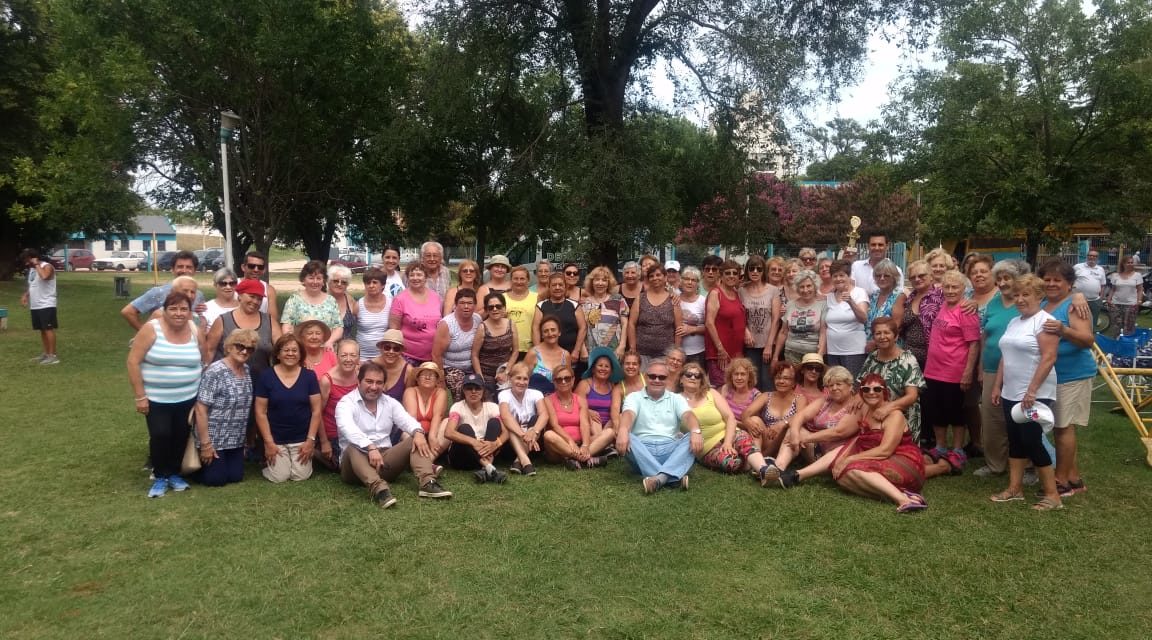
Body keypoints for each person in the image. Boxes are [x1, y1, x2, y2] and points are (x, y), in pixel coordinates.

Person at [990, 274, 1062, 510]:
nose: (1020, 299)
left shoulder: (1045, 321)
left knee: (1031, 439)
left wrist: (1031, 391)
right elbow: (1005, 356)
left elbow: (1049, 356)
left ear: (1039, 296)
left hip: (1035, 394)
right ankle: (1015, 488)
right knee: (1015, 441)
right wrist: (998, 385)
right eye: (1017, 295)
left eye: (1026, 294)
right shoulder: (1014, 322)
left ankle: (1053, 495)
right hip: (1011, 392)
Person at [336, 361, 452, 508]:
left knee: (414, 438)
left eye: (379, 383)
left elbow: (408, 421)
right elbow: (348, 429)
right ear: (358, 381)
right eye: (369, 381)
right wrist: (370, 447)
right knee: (352, 447)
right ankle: (379, 490)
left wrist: (417, 432)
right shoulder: (345, 403)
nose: (374, 387)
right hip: (354, 467)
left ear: (384, 385)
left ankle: (427, 482)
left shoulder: (389, 402)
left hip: (384, 462)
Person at [127, 291, 203, 497]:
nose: (179, 313)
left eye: (183, 309)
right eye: (173, 309)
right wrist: (140, 395)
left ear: (189, 312)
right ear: (165, 310)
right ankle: (160, 475)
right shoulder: (151, 329)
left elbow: (203, 359)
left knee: (180, 435)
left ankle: (174, 473)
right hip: (156, 398)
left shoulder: (194, 329)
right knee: (160, 435)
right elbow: (133, 361)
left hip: (188, 396)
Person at [823, 373, 928, 513]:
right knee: (842, 478)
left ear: (884, 392)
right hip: (882, 458)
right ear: (861, 393)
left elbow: (885, 450)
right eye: (866, 389)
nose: (871, 393)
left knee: (854, 469)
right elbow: (853, 435)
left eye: (877, 389)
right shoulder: (865, 409)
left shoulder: (894, 415)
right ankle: (902, 495)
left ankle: (904, 500)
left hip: (904, 461)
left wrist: (849, 458)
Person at [1039, 259, 1093, 497]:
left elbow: (1087, 339)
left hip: (1072, 374)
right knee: (1061, 426)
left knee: (1062, 426)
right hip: (1052, 375)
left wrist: (1063, 330)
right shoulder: (1043, 303)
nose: (1051, 284)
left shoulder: (1074, 304)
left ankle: (1060, 481)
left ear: (1069, 283)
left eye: (1057, 280)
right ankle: (1074, 478)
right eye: (1047, 279)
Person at [615, 359, 702, 493]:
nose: (657, 380)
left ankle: (658, 479)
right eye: (652, 376)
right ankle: (673, 477)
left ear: (667, 379)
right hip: (642, 450)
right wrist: (622, 430)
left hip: (670, 449)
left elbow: (688, 416)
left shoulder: (676, 398)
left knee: (693, 435)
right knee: (628, 435)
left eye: (662, 377)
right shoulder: (634, 397)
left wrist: (696, 431)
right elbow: (628, 414)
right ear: (645, 376)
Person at [923, 270, 981, 464]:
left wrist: (968, 372)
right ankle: (940, 446)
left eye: (955, 287)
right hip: (933, 369)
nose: (950, 290)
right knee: (936, 409)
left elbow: (974, 343)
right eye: (947, 286)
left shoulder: (965, 310)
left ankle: (957, 449)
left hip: (954, 370)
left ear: (964, 289)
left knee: (955, 411)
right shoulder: (944, 305)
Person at [973, 260, 1024, 478]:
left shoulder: (1025, 302)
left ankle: (1028, 465)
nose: (1003, 283)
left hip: (1020, 371)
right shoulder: (993, 304)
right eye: (1000, 278)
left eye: (1007, 278)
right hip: (992, 368)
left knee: (1020, 418)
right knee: (991, 418)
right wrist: (981, 367)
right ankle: (995, 464)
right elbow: (985, 336)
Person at [681, 361, 773, 480]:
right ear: (681, 379)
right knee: (731, 463)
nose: (693, 377)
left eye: (697, 376)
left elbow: (730, 417)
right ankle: (756, 463)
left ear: (701, 380)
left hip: (729, 433)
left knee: (744, 441)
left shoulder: (711, 393)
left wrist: (728, 443)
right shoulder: (674, 400)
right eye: (689, 375)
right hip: (707, 446)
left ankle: (763, 470)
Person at [768, 365, 856, 482]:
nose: (834, 388)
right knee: (794, 430)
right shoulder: (825, 400)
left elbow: (839, 432)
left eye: (839, 384)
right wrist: (795, 433)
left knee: (799, 434)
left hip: (838, 454)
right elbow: (801, 416)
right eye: (830, 385)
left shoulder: (856, 405)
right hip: (817, 449)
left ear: (849, 386)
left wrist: (806, 439)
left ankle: (786, 472)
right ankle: (777, 469)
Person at [193, 328, 258, 486]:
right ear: (229, 346)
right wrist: (205, 444)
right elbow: (201, 409)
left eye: (249, 348)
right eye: (239, 346)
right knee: (216, 480)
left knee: (236, 477)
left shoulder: (246, 370)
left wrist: (244, 442)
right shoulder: (215, 371)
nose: (244, 351)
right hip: (214, 437)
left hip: (235, 439)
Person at [253, 334, 321, 483]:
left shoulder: (309, 376)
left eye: (294, 350)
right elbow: (260, 412)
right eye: (286, 350)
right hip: (276, 439)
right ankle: (270, 463)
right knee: (279, 477)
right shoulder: (266, 376)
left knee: (300, 476)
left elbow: (316, 410)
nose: (290, 353)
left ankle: (294, 461)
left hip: (302, 439)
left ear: (300, 354)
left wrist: (310, 441)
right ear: (278, 353)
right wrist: (269, 443)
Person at [857, 317, 925, 442]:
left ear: (896, 336)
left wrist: (888, 408)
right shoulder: (872, 357)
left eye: (887, 332)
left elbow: (912, 396)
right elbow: (862, 384)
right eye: (878, 333)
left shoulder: (908, 360)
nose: (882, 337)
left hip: (902, 416)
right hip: (875, 416)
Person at [542, 364, 614, 469]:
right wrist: (570, 441)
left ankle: (575, 460)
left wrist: (585, 444)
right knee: (548, 435)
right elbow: (554, 425)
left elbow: (584, 423)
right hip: (560, 447)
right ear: (554, 382)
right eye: (559, 379)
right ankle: (584, 459)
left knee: (609, 432)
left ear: (573, 379)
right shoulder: (548, 400)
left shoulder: (580, 400)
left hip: (580, 443)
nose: (563, 382)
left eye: (567, 378)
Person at [206, 279, 281, 379]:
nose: (255, 301)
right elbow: (209, 350)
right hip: (227, 381)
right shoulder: (223, 320)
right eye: (252, 296)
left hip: (261, 381)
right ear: (240, 296)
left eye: (259, 299)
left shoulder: (269, 321)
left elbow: (281, 348)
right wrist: (205, 374)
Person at [443, 374, 509, 484]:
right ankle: (489, 468)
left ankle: (485, 469)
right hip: (462, 458)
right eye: (469, 388)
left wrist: (496, 444)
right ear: (463, 390)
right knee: (465, 428)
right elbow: (448, 432)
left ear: (483, 390)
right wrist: (473, 442)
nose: (473, 391)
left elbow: (506, 432)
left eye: (477, 388)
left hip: (485, 452)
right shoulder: (457, 406)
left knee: (494, 422)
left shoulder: (492, 407)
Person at [119, 250, 205, 330]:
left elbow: (198, 320)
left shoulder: (198, 294)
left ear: (194, 270)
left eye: (189, 267)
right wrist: (144, 332)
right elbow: (128, 312)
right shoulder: (158, 292)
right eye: (180, 266)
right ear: (173, 269)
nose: (184, 270)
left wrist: (202, 310)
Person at [741, 361, 807, 459]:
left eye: (786, 378)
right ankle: (758, 458)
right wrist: (747, 421)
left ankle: (760, 458)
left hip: (786, 443)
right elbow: (746, 413)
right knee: (754, 419)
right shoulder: (766, 396)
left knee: (791, 428)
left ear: (794, 382)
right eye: (778, 378)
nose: (781, 381)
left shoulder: (800, 398)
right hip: (768, 439)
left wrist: (783, 424)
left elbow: (801, 417)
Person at [316, 339, 361, 470]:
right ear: (337, 356)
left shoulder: (361, 376)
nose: (348, 359)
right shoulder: (327, 380)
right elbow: (317, 412)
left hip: (355, 430)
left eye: (353, 355)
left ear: (358, 357)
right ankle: (317, 451)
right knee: (344, 466)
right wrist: (324, 442)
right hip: (334, 432)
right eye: (344, 355)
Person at [388, 262, 443, 364]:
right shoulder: (400, 299)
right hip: (408, 357)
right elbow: (394, 330)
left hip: (433, 356)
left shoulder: (436, 297)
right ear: (408, 278)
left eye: (419, 274)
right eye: (411, 275)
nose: (415, 278)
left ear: (425, 277)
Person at [499, 362, 548, 475]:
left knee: (536, 419)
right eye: (518, 378)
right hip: (511, 444)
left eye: (525, 379)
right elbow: (505, 416)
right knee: (509, 423)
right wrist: (523, 435)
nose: (521, 382)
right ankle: (525, 461)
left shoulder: (536, 393)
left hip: (534, 443)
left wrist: (534, 431)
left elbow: (544, 415)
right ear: (510, 379)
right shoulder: (504, 394)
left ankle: (518, 460)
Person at [823, 259, 869, 376]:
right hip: (832, 351)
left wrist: (851, 302)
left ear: (849, 276)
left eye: (842, 275)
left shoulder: (859, 292)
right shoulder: (829, 297)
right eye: (835, 276)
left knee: (852, 386)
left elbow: (863, 318)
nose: (838, 279)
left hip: (854, 351)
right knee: (835, 384)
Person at [432, 288, 481, 399]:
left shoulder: (478, 319)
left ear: (475, 305)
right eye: (462, 303)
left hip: (472, 365)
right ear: (456, 304)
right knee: (462, 389)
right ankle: (459, 414)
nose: (466, 306)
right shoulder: (447, 324)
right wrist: (441, 379)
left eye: (470, 303)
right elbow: (436, 354)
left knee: (482, 386)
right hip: (450, 367)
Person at [281, 260, 343, 347]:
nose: (315, 282)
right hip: (301, 350)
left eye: (318, 278)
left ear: (323, 280)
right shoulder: (294, 300)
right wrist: (294, 344)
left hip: (326, 349)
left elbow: (338, 327)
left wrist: (329, 342)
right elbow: (287, 326)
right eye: (311, 278)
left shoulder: (331, 301)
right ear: (303, 279)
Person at [631, 264, 682, 368]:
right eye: (652, 276)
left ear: (665, 277)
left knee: (662, 382)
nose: (655, 278)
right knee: (643, 382)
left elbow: (679, 328)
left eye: (658, 275)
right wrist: (633, 348)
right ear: (648, 279)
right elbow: (631, 324)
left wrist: (676, 350)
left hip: (666, 354)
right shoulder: (640, 298)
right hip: (642, 353)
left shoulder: (673, 299)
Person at [740, 255, 780, 388]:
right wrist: (746, 331)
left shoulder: (773, 290)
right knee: (753, 381)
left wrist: (769, 345)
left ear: (764, 271)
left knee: (768, 381)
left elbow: (775, 319)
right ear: (747, 271)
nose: (755, 272)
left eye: (759, 269)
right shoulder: (742, 291)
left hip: (768, 343)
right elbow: (739, 315)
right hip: (750, 344)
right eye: (752, 268)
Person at [704, 260, 745, 385]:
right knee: (721, 387)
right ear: (721, 275)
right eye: (727, 273)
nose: (731, 276)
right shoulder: (716, 293)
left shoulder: (736, 293)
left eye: (735, 273)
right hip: (720, 353)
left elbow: (739, 317)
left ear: (739, 277)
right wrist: (720, 349)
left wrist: (747, 331)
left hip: (736, 351)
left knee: (735, 387)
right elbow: (709, 323)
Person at [533, 273, 586, 366]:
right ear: (549, 287)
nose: (557, 288)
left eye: (561, 285)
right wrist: (538, 352)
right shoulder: (541, 306)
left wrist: (576, 351)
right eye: (554, 285)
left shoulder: (574, 305)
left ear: (565, 287)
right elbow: (535, 329)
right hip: (547, 355)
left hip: (571, 354)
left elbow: (583, 328)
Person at [900, 259, 945, 371]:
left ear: (931, 276)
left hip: (934, 357)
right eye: (912, 277)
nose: (917, 279)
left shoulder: (942, 294)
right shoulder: (910, 297)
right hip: (909, 357)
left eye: (921, 275)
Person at [773, 269, 825, 364]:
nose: (805, 290)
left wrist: (819, 355)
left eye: (809, 286)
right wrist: (775, 356)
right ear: (797, 288)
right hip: (791, 353)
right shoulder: (790, 305)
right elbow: (783, 332)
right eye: (802, 287)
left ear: (815, 286)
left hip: (812, 354)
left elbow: (823, 333)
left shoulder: (822, 305)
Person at [580, 266, 630, 359]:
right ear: (591, 282)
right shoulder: (584, 303)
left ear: (608, 283)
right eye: (597, 280)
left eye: (604, 280)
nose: (600, 283)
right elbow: (581, 328)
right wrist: (582, 348)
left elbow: (625, 323)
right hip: (591, 351)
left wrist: (622, 345)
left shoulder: (618, 299)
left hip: (615, 349)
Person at [402, 362, 450, 460]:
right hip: (415, 434)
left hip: (434, 433)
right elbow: (412, 419)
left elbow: (438, 415)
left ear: (437, 380)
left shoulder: (441, 392)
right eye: (424, 374)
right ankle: (425, 463)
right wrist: (419, 436)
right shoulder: (410, 391)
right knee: (405, 433)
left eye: (432, 375)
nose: (427, 377)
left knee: (448, 422)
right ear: (417, 378)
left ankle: (429, 460)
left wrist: (432, 436)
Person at [473, 292, 518, 392]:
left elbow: (515, 351)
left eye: (498, 306)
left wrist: (506, 372)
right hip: (486, 375)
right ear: (486, 310)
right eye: (491, 307)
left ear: (504, 308)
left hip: (505, 372)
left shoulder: (511, 324)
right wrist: (480, 378)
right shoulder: (482, 328)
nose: (495, 309)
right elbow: (474, 355)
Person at [20, 249, 59, 365]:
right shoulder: (32, 269)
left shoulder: (47, 266)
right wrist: (26, 295)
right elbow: (33, 284)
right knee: (42, 330)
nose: (26, 264)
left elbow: (45, 277)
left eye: (28, 261)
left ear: (34, 258)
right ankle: (46, 353)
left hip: (47, 303)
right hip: (36, 305)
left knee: (48, 329)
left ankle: (53, 356)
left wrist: (36, 264)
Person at [577, 346, 624, 436]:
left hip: (608, 426)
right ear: (593, 369)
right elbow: (575, 404)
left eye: (607, 366)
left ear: (611, 371)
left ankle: (603, 440)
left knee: (622, 416)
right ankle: (602, 442)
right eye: (600, 365)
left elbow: (616, 409)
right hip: (591, 426)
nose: (603, 369)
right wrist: (588, 411)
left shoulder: (612, 386)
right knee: (593, 420)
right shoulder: (585, 384)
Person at [865, 259, 905, 348]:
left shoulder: (899, 296)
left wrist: (875, 343)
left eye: (886, 276)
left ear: (894, 278)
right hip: (870, 346)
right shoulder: (873, 296)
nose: (882, 278)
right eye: (878, 276)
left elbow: (896, 326)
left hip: (888, 346)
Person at [355, 268, 392, 361]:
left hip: (385, 356)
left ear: (383, 285)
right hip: (362, 356)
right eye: (368, 283)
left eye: (375, 282)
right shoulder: (358, 305)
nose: (371, 286)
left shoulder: (391, 303)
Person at [505, 265, 538, 360]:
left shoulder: (537, 297)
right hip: (507, 348)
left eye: (522, 278)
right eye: (515, 279)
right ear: (510, 280)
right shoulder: (502, 298)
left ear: (528, 280)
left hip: (530, 348)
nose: (519, 282)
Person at [677, 266, 708, 367]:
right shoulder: (674, 299)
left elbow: (710, 327)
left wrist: (692, 329)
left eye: (693, 280)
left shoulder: (703, 301)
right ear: (681, 281)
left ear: (698, 284)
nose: (689, 282)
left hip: (698, 352)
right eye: (686, 279)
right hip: (677, 352)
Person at [369, 329, 410, 403]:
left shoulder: (408, 371)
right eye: (387, 347)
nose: (391, 352)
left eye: (396, 349)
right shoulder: (368, 366)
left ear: (401, 351)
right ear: (381, 348)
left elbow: (408, 401)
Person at [239, 251, 279, 323]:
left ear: (264, 270)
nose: (256, 270)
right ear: (243, 267)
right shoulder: (232, 285)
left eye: (260, 267)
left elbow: (272, 321)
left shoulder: (269, 290)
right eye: (251, 266)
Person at [1108, 254, 1143, 336]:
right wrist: (1109, 300)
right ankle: (1117, 343)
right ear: (1123, 264)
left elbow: (1140, 290)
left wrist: (1139, 301)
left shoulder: (1137, 275)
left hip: (1131, 305)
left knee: (1129, 327)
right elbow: (1113, 289)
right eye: (1128, 262)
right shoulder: (1115, 275)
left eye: (1132, 262)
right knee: (1116, 326)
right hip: (1116, 304)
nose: (1130, 264)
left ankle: (1127, 344)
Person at [720, 357, 761, 426]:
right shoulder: (726, 389)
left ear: (749, 377)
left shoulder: (757, 396)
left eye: (743, 374)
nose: (739, 378)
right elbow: (720, 412)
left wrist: (733, 422)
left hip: (746, 432)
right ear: (731, 376)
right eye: (736, 374)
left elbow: (754, 424)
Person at [1072, 248, 1106, 329]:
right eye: (1090, 255)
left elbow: (1103, 285)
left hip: (1095, 300)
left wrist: (1101, 298)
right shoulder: (1077, 267)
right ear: (1087, 257)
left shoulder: (1100, 269)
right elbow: (1069, 280)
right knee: (1078, 321)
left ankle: (1091, 336)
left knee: (1093, 322)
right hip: (1078, 301)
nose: (1092, 257)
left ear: (1097, 258)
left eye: (1094, 256)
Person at [201, 268, 240, 333]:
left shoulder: (242, 306)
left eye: (232, 283)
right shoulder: (206, 308)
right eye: (223, 284)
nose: (228, 287)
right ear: (215, 285)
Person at [328, 263, 357, 340]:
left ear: (347, 285)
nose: (339, 284)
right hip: (324, 348)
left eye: (344, 282)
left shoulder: (351, 301)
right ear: (329, 281)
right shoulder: (321, 299)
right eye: (336, 281)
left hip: (346, 349)